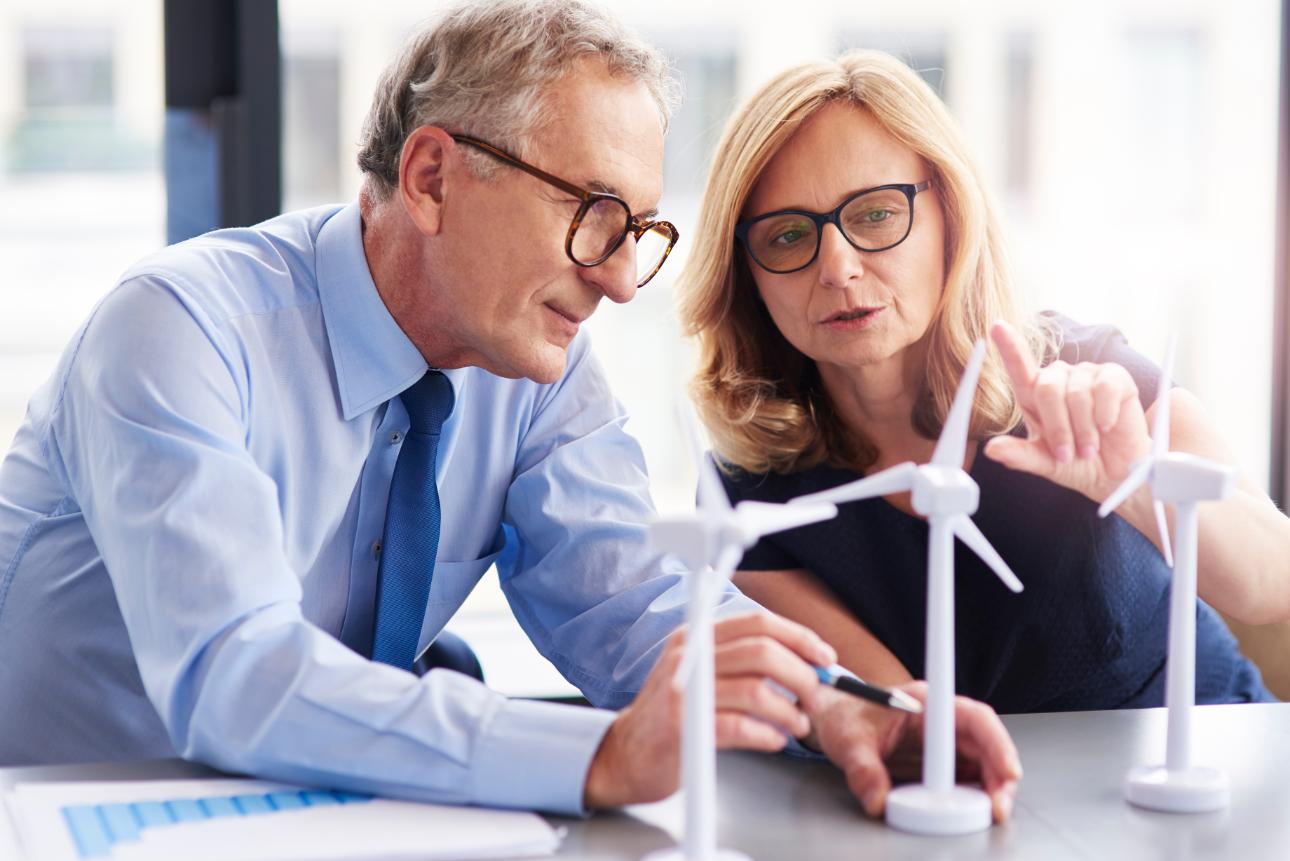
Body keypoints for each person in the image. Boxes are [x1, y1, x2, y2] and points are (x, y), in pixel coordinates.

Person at [0, 3, 1020, 821]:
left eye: (639, 231)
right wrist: (604, 755)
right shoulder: (179, 331)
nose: (622, 282)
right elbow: (238, 677)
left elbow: (632, 599)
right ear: (434, 175)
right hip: (78, 814)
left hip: (340, 819)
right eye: (595, 217)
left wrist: (841, 708)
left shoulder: (538, 367)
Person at [677, 50, 1288, 722]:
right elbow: (899, 722)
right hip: (975, 803)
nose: (839, 268)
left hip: (1212, 769)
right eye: (788, 234)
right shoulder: (751, 497)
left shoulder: (1089, 376)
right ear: (746, 273)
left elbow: (1273, 584)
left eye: (877, 215)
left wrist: (1141, 480)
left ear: (951, 215)